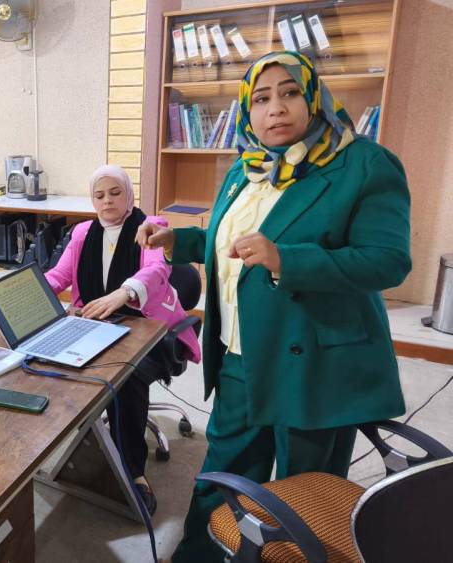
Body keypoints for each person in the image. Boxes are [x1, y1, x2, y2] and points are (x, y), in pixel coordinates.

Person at [135, 52, 411, 562]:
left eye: (289, 93)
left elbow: (388, 262)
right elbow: (230, 243)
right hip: (241, 357)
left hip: (315, 364)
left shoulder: (364, 164)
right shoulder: (247, 167)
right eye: (261, 99)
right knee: (222, 474)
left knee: (303, 494)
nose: (275, 109)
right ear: (248, 110)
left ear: (313, 98)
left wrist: (288, 260)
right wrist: (180, 241)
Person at [42, 164, 202, 515]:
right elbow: (59, 276)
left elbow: (157, 269)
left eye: (115, 192)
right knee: (47, 360)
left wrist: (124, 292)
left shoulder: (150, 226)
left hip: (151, 329)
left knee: (125, 378)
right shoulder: (82, 233)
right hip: (97, 326)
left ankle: (132, 470)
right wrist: (28, 293)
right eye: (99, 195)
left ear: (129, 195)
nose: (107, 201)